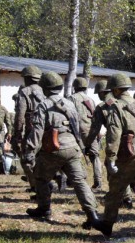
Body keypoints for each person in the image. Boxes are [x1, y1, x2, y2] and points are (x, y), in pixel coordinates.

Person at [90, 73, 135, 243]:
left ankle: (107, 225)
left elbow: (114, 135)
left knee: (115, 191)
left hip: (128, 153)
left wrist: (111, 158)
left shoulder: (116, 107)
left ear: (116, 89)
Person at [23, 71, 100, 228]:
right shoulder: (69, 103)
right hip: (72, 147)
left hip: (53, 148)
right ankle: (92, 215)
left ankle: (44, 208)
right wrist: (81, 146)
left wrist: (29, 152)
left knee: (40, 178)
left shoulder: (43, 105)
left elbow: (37, 131)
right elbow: (77, 127)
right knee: (80, 182)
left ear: (44, 88)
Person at [84, 79, 133, 208]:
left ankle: (120, 197)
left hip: (116, 141)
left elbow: (94, 130)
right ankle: (127, 197)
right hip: (133, 141)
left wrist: (87, 144)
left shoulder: (103, 107)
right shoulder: (124, 102)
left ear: (102, 92)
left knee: (112, 168)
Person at [12, 66, 45, 192]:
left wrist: (17, 134)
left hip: (32, 129)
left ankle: (37, 186)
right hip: (46, 129)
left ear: (27, 78)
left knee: (26, 159)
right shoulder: (44, 90)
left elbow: (20, 115)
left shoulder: (25, 92)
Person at [70, 77, 103, 190]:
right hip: (92, 130)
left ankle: (80, 178)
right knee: (95, 156)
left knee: (76, 155)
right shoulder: (91, 100)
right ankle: (98, 181)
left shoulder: (71, 99)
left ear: (74, 87)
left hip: (78, 131)